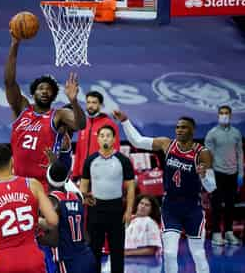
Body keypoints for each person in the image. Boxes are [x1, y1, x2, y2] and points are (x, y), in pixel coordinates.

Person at [113, 110, 216, 273]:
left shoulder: (202, 153)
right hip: (171, 206)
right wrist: (125, 121)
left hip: (192, 207)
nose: (179, 130)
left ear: (192, 130)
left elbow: (211, 187)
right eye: (177, 127)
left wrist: (204, 177)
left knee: (198, 253)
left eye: (184, 127)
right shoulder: (167, 144)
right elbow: (137, 141)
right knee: (169, 253)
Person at [4, 31, 86, 192]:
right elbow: (9, 82)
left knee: (45, 218)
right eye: (41, 88)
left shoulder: (59, 114)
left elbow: (80, 124)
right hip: (20, 183)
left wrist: (74, 101)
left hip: (45, 184)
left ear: (54, 96)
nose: (44, 91)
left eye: (49, 90)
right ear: (33, 93)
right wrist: (14, 45)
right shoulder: (22, 109)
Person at [0, 144, 58, 273]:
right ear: (12, 161)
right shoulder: (33, 184)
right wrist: (38, 222)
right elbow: (53, 221)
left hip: (2, 259)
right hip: (32, 257)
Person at [80, 125, 135, 273]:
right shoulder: (90, 160)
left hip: (116, 209)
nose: (105, 138)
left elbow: (130, 188)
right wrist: (84, 198)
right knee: (94, 250)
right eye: (102, 135)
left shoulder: (123, 160)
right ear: (97, 139)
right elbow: (83, 186)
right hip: (95, 209)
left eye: (108, 135)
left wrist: (129, 210)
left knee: (117, 250)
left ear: (114, 139)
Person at [38, 159, 96, 273]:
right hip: (86, 257)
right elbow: (86, 237)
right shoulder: (77, 197)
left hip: (67, 261)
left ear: (47, 177)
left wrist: (35, 238)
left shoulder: (51, 201)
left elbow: (53, 240)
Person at [205, 105, 243, 246]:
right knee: (216, 205)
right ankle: (216, 233)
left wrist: (241, 173)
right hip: (217, 174)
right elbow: (207, 156)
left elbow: (240, 154)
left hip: (232, 174)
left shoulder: (236, 133)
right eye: (221, 113)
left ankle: (228, 232)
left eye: (226, 113)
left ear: (230, 115)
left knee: (230, 205)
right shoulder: (212, 134)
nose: (224, 115)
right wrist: (209, 176)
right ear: (218, 115)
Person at [72, 91, 120, 182]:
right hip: (83, 175)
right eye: (88, 102)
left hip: (102, 175)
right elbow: (78, 151)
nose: (90, 105)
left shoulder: (109, 124)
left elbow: (115, 150)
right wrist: (75, 174)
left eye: (94, 102)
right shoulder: (83, 123)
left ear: (101, 105)